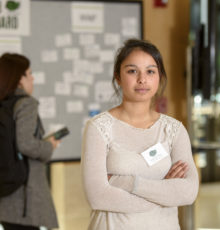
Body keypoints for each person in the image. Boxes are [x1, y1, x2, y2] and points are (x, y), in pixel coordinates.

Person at [81, 39, 199, 230]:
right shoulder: (99, 127)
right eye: (132, 71)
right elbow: (97, 197)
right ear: (118, 76)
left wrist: (126, 182)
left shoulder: (174, 130)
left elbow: (188, 192)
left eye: (150, 71)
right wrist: (163, 193)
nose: (142, 79)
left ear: (159, 76)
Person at [0, 53, 60, 230]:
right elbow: (26, 144)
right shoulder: (25, 104)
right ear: (19, 79)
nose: (32, 78)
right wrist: (48, 145)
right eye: (29, 73)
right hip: (22, 200)